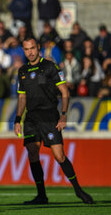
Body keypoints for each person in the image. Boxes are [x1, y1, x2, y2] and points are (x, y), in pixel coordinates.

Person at [14, 37, 94, 205]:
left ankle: (78, 190)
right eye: (27, 49)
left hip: (49, 116)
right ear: (24, 50)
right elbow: (22, 98)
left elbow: (65, 92)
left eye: (33, 48)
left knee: (59, 156)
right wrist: (17, 119)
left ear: (38, 48)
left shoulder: (50, 67)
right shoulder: (22, 71)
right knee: (32, 153)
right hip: (31, 118)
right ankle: (41, 195)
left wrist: (64, 114)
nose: (30, 52)